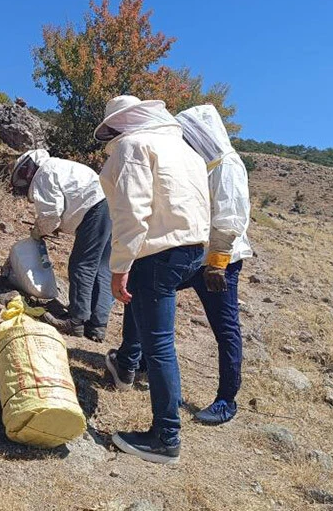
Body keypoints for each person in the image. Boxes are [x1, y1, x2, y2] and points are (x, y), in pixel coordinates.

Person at [97, 95, 211, 464]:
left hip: (158, 253)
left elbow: (132, 209)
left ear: (123, 122)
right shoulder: (185, 149)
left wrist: (120, 265)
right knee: (157, 335)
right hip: (191, 250)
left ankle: (166, 437)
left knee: (160, 346)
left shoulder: (134, 146)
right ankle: (128, 369)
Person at [174, 104, 253, 426]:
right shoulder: (208, 167)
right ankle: (136, 361)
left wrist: (217, 264)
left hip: (221, 264)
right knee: (147, 289)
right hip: (196, 257)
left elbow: (230, 219)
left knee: (226, 330)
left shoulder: (228, 166)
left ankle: (226, 400)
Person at [10, 149, 113, 342]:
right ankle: (97, 325)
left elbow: (51, 214)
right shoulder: (59, 166)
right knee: (102, 268)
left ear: (29, 167)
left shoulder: (44, 173)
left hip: (94, 209)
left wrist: (38, 232)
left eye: (23, 174)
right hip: (110, 205)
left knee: (81, 264)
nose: (24, 179)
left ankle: (76, 320)